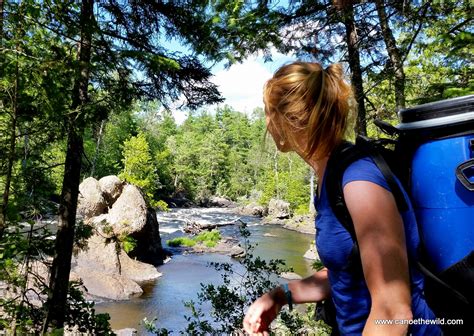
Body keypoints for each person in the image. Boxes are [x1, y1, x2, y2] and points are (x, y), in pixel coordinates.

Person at [243, 62, 442, 336]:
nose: (266, 122)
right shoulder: (331, 176)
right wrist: (280, 296)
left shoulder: (359, 183)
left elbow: (393, 312)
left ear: (289, 119)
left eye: (268, 113)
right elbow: (346, 274)